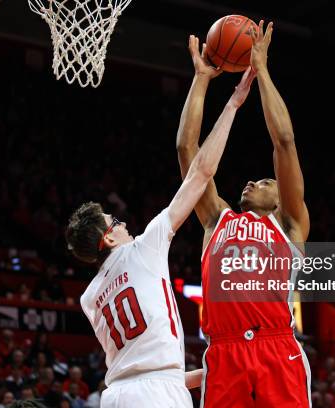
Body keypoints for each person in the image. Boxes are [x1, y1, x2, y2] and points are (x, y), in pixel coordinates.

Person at [66, 67, 256, 408]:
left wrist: (205, 373)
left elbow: (139, 371)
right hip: (157, 395)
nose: (125, 225)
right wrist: (233, 103)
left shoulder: (90, 297)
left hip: (116, 397)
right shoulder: (143, 247)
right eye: (117, 222)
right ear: (109, 239)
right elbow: (201, 172)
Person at [176, 21, 311, 406]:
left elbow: (284, 141)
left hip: (276, 347)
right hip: (224, 351)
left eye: (266, 181)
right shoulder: (216, 220)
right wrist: (201, 79)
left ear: (281, 199)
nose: (254, 182)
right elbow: (187, 149)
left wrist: (262, 70)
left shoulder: (289, 224)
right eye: (254, 180)